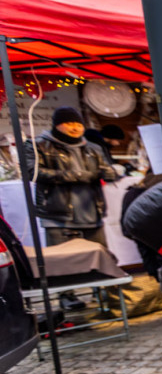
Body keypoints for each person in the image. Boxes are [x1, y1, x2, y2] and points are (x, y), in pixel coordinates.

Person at [25, 106, 118, 309]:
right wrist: (75, 176)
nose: (75, 127)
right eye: (69, 123)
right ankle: (67, 297)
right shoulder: (38, 145)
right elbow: (33, 172)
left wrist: (110, 173)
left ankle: (105, 295)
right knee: (61, 259)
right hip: (57, 213)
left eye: (78, 123)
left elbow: (107, 169)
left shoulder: (93, 148)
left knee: (99, 254)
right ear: (57, 125)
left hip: (91, 211)